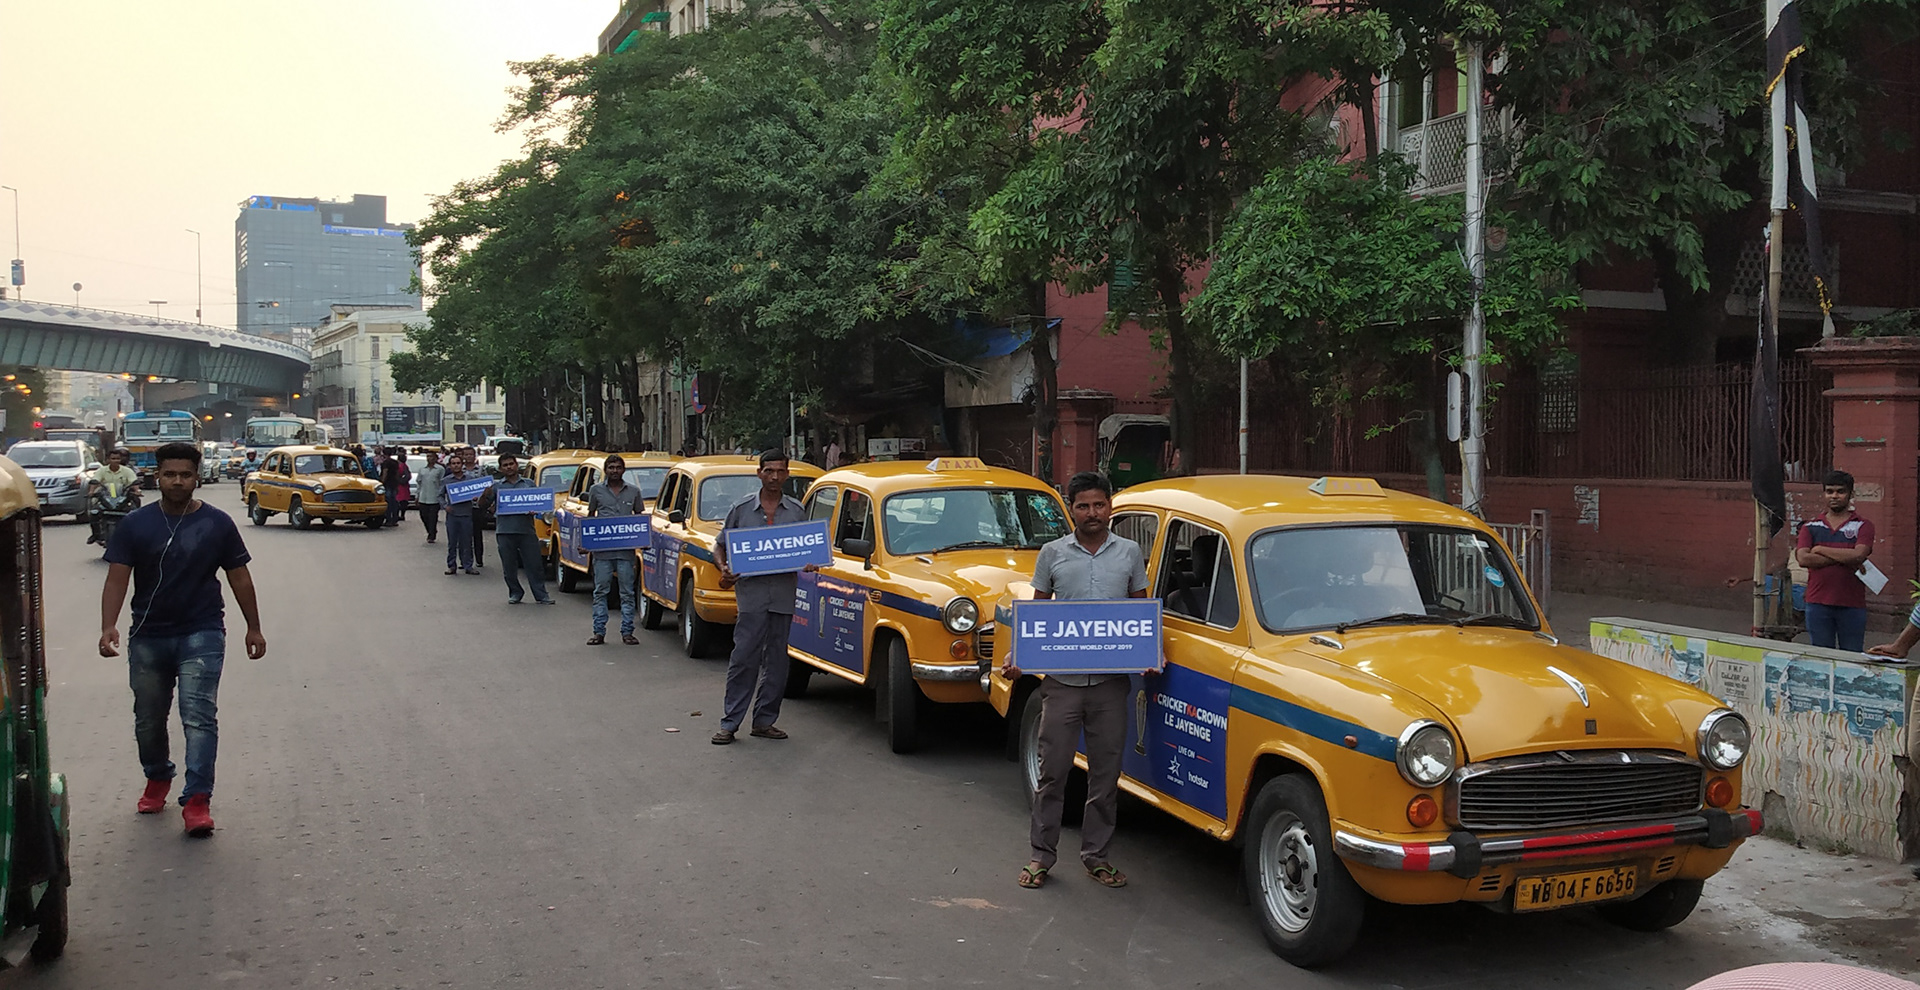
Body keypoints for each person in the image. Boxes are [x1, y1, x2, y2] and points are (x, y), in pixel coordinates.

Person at [97, 441, 266, 837]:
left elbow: (239, 577)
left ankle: (197, 800)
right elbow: (117, 578)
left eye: (185, 475)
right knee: (148, 720)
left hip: (202, 632)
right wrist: (109, 626)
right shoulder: (135, 525)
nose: (177, 481)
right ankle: (158, 777)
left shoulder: (218, 524)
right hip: (149, 636)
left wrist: (253, 627)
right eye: (169, 474)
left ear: (197, 476)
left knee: (199, 716)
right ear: (157, 476)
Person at [1001, 471, 1149, 890]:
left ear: (1110, 506)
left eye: (1099, 505)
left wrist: (1152, 653)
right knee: (1053, 775)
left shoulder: (1130, 553)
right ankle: (1040, 857)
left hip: (1109, 687)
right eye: (1083, 506)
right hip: (1062, 685)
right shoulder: (1051, 554)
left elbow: (1141, 615)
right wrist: (1019, 656)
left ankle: (1096, 856)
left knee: (1106, 776)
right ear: (1071, 509)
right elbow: (1038, 617)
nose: (1092, 513)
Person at [712, 449, 808, 745]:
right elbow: (719, 546)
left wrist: (811, 560)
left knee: (778, 661)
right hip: (751, 598)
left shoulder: (796, 511)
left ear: (787, 475)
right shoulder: (741, 510)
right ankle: (730, 723)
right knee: (744, 659)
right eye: (769, 471)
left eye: (780, 471)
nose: (775, 477)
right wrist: (724, 568)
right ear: (759, 473)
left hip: (782, 596)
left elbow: (807, 548)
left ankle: (765, 721)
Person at [1795, 470, 1875, 652]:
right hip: (1817, 603)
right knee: (1821, 658)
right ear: (1823, 494)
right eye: (1829, 491)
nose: (1835, 496)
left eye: (1840, 491)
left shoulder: (1863, 525)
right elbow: (1803, 558)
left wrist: (1820, 549)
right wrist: (1844, 556)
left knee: (1852, 658)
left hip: (1852, 605)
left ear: (1850, 494)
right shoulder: (1811, 527)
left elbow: (1858, 555)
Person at [585, 454, 647, 645]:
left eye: (618, 467)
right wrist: (586, 542)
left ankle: (627, 632)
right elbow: (591, 516)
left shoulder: (634, 491)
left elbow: (639, 517)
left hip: (625, 553)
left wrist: (643, 539)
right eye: (611, 467)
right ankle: (599, 632)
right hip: (602, 553)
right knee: (600, 591)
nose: (614, 471)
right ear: (605, 470)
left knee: (627, 592)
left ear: (623, 470)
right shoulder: (595, 491)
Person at [491, 454, 553, 605]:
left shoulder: (528, 484)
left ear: (516, 465)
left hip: (527, 531)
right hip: (504, 531)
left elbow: (539, 505)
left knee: (534, 565)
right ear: (500, 468)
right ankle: (515, 593)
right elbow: (483, 506)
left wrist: (535, 510)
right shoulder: (497, 487)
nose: (509, 467)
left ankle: (541, 595)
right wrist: (485, 496)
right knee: (509, 566)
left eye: (511, 464)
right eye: (505, 465)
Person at [87, 447, 141, 545]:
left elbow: (133, 481)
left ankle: (137, 533)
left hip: (123, 497)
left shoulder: (127, 471)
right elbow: (95, 481)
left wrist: (137, 490)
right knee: (94, 512)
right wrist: (91, 491)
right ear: (108, 460)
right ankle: (96, 534)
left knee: (136, 511)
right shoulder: (102, 470)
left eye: (117, 459)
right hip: (106, 498)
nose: (115, 461)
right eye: (113, 459)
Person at [443, 454, 482, 576]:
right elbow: (439, 495)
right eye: (453, 463)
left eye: (458, 463)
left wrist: (475, 498)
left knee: (467, 541)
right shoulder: (446, 481)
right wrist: (445, 506)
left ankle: (468, 565)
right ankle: (451, 565)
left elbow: (478, 494)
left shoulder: (469, 479)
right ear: (450, 466)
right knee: (452, 542)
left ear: (462, 465)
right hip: (452, 515)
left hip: (466, 514)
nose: (456, 465)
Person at [415, 450, 446, 544]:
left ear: (436, 458)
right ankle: (430, 530)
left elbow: (442, 483)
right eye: (428, 456)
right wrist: (417, 495)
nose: (429, 458)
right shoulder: (422, 469)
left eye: (431, 456)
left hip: (434, 498)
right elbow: (419, 483)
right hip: (423, 497)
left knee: (433, 517)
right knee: (423, 516)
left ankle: (432, 534)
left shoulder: (440, 469)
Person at [382, 447, 408, 527]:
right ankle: (395, 519)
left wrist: (381, 482)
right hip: (394, 483)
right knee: (394, 502)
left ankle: (389, 519)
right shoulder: (395, 462)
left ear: (384, 454)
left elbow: (385, 473)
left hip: (388, 483)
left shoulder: (386, 462)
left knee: (388, 502)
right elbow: (397, 473)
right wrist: (397, 482)